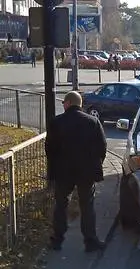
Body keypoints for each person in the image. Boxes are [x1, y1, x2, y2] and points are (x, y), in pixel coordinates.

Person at [45, 91, 107, 252]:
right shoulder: (92, 121)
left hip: (63, 171)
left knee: (61, 204)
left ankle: (57, 240)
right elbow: (102, 146)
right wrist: (97, 164)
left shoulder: (56, 122)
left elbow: (49, 148)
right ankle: (90, 241)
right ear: (79, 104)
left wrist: (53, 168)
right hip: (86, 171)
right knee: (87, 205)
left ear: (67, 103)